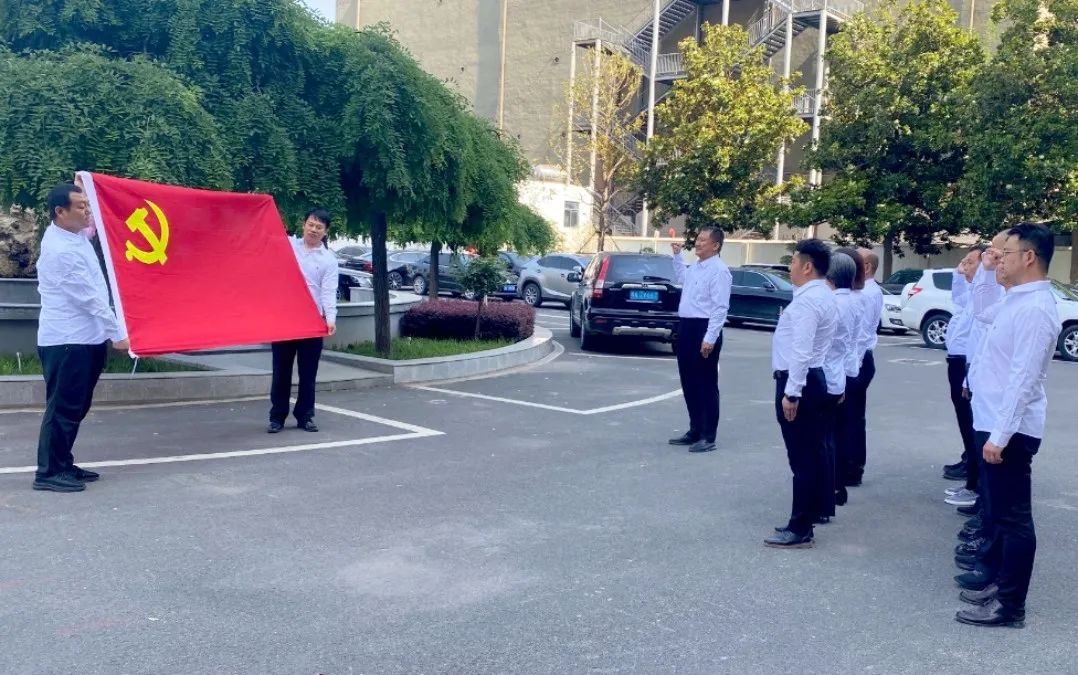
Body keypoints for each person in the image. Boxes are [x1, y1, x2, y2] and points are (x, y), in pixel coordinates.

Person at [954, 223, 1059, 628]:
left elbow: (1023, 379)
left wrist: (1000, 436)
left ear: (1029, 257)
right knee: (998, 514)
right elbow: (982, 312)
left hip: (1009, 431)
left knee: (1013, 520)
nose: (1000, 260)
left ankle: (1011, 606)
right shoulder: (1016, 299)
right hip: (994, 421)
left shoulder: (1036, 309)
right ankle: (999, 585)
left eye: (1006, 254)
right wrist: (986, 269)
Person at [33, 183, 129, 493]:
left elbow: (93, 227)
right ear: (60, 212)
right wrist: (118, 334)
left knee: (75, 407)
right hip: (67, 341)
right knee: (63, 408)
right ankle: (48, 472)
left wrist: (84, 184)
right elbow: (89, 299)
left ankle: (62, 463)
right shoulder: (60, 251)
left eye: (87, 205)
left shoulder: (74, 235)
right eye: (81, 206)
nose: (87, 211)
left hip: (86, 339)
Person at [765, 239, 836, 548]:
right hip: (812, 379)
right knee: (812, 453)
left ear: (807, 267)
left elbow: (802, 350)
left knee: (802, 458)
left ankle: (800, 527)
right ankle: (810, 515)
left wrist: (792, 393)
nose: (790, 267)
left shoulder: (808, 301)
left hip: (800, 383)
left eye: (793, 261)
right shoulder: (822, 294)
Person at [268, 208, 338, 434]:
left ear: (325, 231)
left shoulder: (328, 260)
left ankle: (305, 416)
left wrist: (330, 318)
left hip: (312, 322)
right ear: (304, 225)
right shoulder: (288, 246)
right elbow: (266, 236)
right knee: (281, 371)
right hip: (285, 319)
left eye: (319, 227)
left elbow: (328, 291)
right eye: (311, 224)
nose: (314, 229)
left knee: (308, 373)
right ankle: (277, 416)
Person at [668, 227, 732, 454]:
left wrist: (710, 337)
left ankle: (708, 435)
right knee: (689, 382)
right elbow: (682, 278)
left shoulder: (719, 271)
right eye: (697, 239)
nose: (698, 243)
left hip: (704, 329)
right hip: (687, 327)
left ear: (716, 245)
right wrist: (677, 256)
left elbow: (720, 307)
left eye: (703, 240)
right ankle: (694, 429)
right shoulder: (696, 267)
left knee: (705, 384)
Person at [941, 245, 987, 506]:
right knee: (965, 423)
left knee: (972, 424)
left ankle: (974, 482)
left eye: (970, 262)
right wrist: (960, 273)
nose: (964, 266)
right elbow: (958, 297)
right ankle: (971, 471)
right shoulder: (972, 293)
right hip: (958, 362)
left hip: (966, 365)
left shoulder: (985, 297)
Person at [822, 251, 864, 516]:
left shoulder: (832, 303)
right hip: (845, 372)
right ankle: (837, 486)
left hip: (829, 375)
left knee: (826, 437)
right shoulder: (854, 302)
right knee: (838, 433)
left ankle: (830, 488)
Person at [842, 248, 883, 487]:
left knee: (851, 418)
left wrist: (852, 370)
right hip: (859, 360)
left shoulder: (867, 293)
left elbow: (859, 336)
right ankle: (851, 466)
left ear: (866, 267)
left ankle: (852, 468)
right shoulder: (866, 291)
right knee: (852, 417)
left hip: (858, 361)